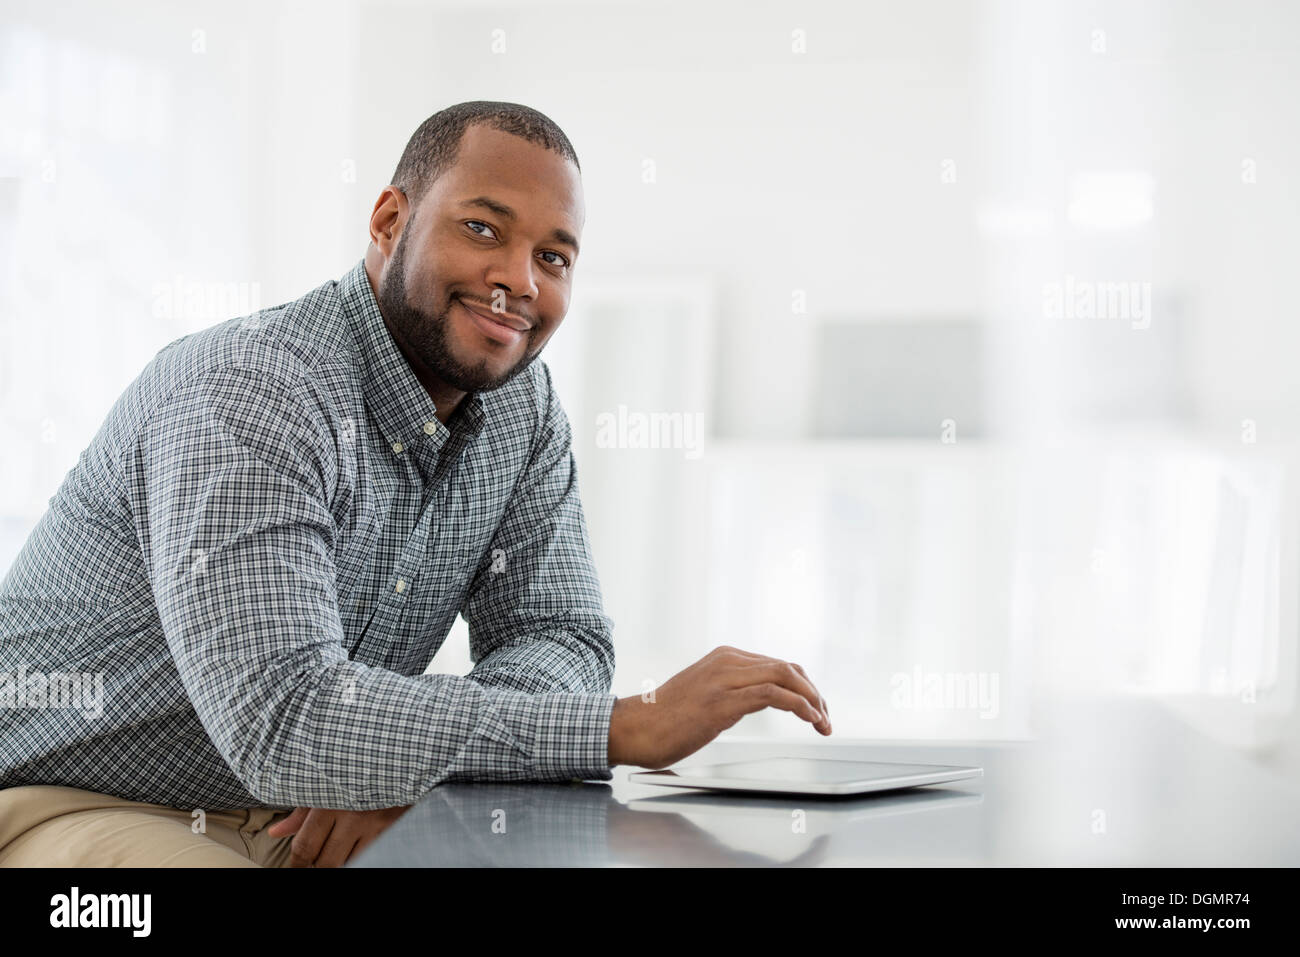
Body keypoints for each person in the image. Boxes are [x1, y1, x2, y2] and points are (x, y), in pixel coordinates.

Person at [0, 100, 831, 868]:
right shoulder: (249, 392)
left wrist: (411, 772)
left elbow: (564, 638)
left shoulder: (521, 411)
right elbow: (285, 716)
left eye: (553, 256)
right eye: (482, 228)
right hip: (68, 801)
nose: (520, 280)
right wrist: (623, 726)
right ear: (390, 220)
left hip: (309, 805)